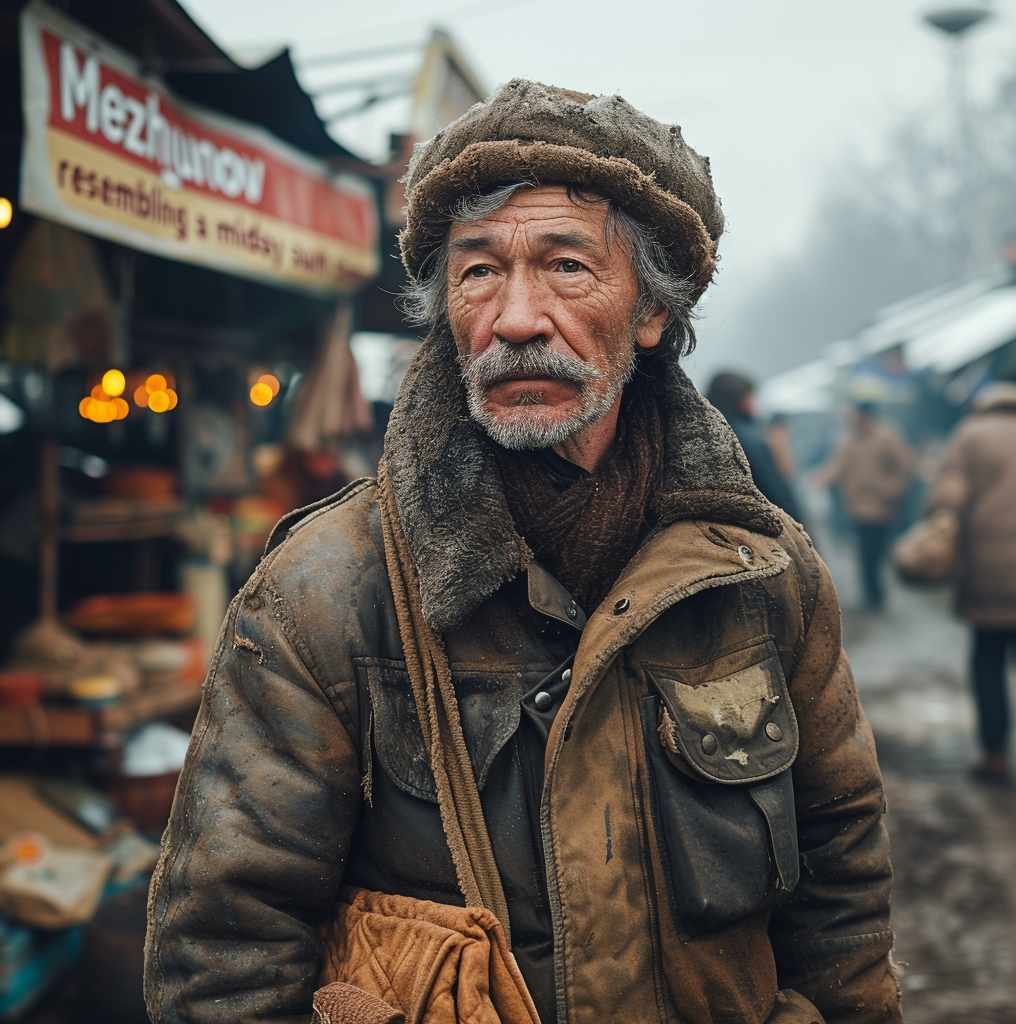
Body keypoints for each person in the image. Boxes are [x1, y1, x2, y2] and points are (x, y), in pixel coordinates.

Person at [145, 81, 901, 1024]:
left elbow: (842, 898)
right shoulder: (324, 592)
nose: (514, 319)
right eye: (478, 273)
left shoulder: (764, 576)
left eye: (567, 266)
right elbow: (222, 953)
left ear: (654, 313)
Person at [927, 378, 1016, 782]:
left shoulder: (969, 435)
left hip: (988, 571)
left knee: (988, 662)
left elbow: (947, 499)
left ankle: (995, 754)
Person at [816, 403, 915, 611]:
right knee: (865, 554)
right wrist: (821, 479)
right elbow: (838, 465)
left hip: (883, 508)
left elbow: (904, 466)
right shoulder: (849, 440)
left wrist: (893, 491)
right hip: (858, 508)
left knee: (876, 554)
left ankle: (875, 592)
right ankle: (872, 595)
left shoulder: (888, 437)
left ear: (867, 417)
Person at [706, 371, 805, 523]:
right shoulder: (743, 434)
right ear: (736, 399)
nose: (754, 402)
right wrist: (794, 518)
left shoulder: (711, 428)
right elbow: (769, 480)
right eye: (749, 397)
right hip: (766, 516)